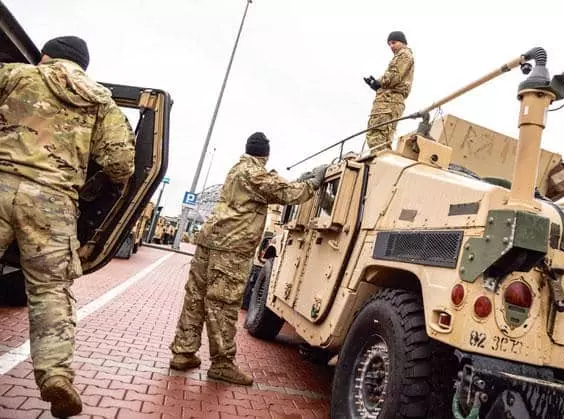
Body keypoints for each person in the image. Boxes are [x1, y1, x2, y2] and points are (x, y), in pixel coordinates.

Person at [0, 36, 135, 417]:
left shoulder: (15, 75)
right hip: (54, 202)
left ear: (46, 55)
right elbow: (121, 165)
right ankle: (55, 375)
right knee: (49, 291)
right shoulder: (101, 101)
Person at [169, 132, 327, 385]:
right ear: (265, 155)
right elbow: (287, 194)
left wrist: (295, 181)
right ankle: (222, 364)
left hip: (210, 241)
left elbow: (272, 188)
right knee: (223, 303)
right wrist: (312, 183)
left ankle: (184, 352)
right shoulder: (254, 172)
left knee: (196, 298)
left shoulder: (239, 169)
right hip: (230, 247)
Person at [364, 30, 415, 150]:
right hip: (390, 100)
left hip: (389, 101)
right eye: (389, 44)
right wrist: (377, 85)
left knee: (377, 135)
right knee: (383, 137)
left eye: (394, 42)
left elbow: (394, 77)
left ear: (402, 42)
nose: (391, 46)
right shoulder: (403, 55)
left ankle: (379, 165)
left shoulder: (404, 55)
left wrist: (380, 82)